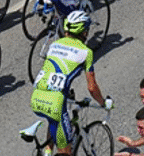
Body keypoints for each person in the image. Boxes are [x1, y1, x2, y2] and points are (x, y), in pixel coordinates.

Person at [25, 10, 112, 156]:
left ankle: (47, 151)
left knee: (54, 120)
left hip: (37, 97)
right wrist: (103, 103)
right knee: (65, 151)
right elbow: (92, 87)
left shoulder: (55, 44)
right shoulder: (86, 52)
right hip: (55, 103)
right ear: (84, 32)